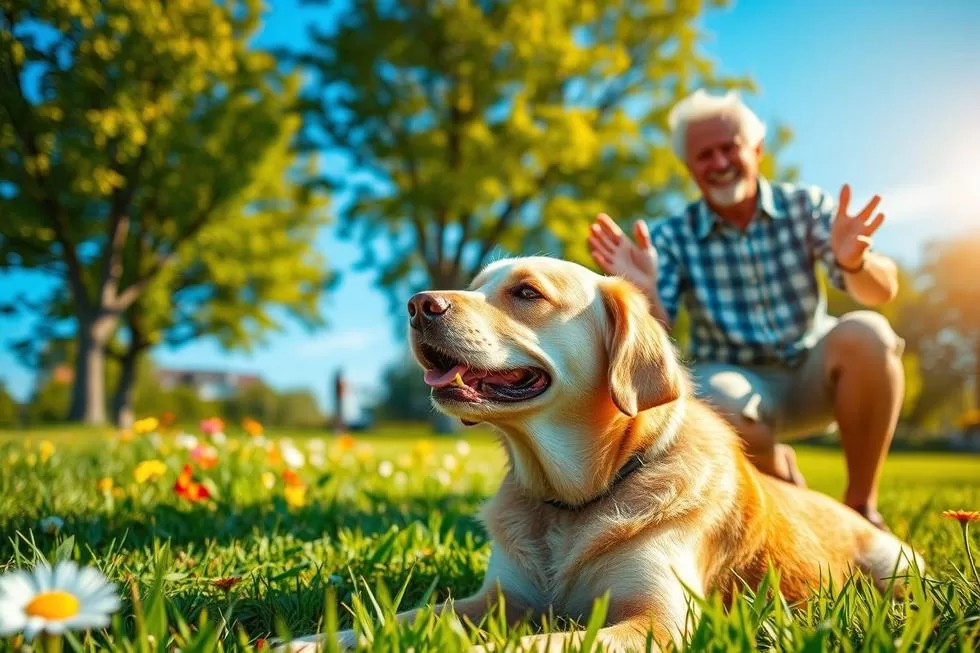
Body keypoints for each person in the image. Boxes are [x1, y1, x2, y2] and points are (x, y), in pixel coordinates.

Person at [587, 90, 904, 532]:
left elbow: (880, 291)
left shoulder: (803, 207)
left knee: (870, 334)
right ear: (689, 168)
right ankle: (790, 499)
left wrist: (855, 261)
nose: (718, 163)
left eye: (728, 148)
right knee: (716, 400)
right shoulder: (672, 237)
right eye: (704, 155)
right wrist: (645, 291)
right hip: (736, 386)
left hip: (816, 373)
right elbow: (657, 335)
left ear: (755, 149)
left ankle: (860, 507)